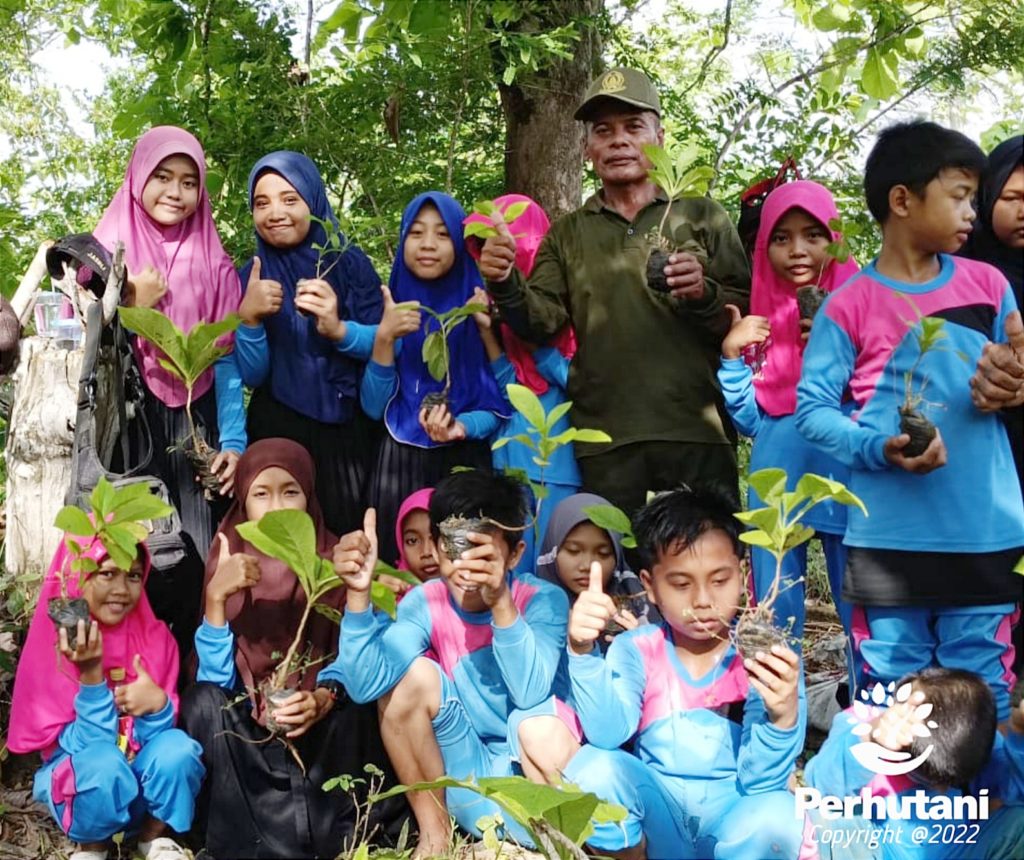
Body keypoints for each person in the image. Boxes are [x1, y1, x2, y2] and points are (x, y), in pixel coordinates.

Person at [795, 121, 1024, 723]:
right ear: (903, 200)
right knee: (894, 691)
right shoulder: (850, 304)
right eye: (958, 195)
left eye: (975, 198)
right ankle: (900, 807)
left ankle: (992, 812)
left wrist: (1013, 385)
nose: (971, 211)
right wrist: (878, 447)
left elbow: (1015, 372)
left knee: (984, 684)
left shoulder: (990, 288)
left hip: (984, 530)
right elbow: (812, 411)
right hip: (888, 540)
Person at [478, 68, 751, 517]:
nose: (619, 141)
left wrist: (702, 292)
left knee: (707, 572)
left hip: (697, 429)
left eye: (633, 127)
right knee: (618, 577)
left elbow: (743, 314)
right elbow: (541, 321)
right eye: (603, 131)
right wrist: (506, 280)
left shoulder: (702, 215)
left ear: (659, 136)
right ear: (587, 148)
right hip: (606, 440)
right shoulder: (567, 234)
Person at [325, 470, 581, 857]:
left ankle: (560, 843)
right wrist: (358, 597)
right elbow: (366, 686)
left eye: (480, 551)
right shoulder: (426, 600)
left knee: (538, 727)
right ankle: (435, 837)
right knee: (411, 679)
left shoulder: (543, 600)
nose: (463, 566)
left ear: (514, 554)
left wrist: (500, 603)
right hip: (470, 780)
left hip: (539, 779)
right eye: (451, 547)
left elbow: (530, 693)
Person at [180, 438, 402, 859]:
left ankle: (340, 831)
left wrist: (321, 698)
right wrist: (216, 600)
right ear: (244, 499)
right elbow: (215, 686)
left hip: (318, 744)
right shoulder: (227, 557)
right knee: (201, 703)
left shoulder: (334, 561)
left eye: (291, 492)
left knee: (366, 700)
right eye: (262, 494)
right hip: (246, 748)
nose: (278, 507)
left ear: (309, 497)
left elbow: (355, 665)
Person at [561, 486, 805, 860]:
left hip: (732, 824)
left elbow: (761, 785)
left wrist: (783, 714)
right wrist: (582, 653)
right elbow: (608, 734)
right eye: (681, 584)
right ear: (650, 586)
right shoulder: (638, 649)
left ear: (742, 574)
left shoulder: (768, 659)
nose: (703, 600)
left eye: (720, 580)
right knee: (594, 768)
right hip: (659, 825)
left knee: (781, 816)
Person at [92, 126, 247, 644]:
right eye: (163, 177)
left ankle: (194, 676)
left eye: (188, 182)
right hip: (127, 424)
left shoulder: (216, 261)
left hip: (193, 420)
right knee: (134, 547)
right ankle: (129, 670)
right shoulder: (105, 249)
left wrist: (233, 443)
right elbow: (79, 329)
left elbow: (225, 361)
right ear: (139, 176)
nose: (175, 194)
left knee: (196, 554)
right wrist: (128, 297)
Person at [718, 180, 859, 657]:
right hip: (776, 484)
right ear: (763, 247)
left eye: (813, 235)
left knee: (857, 606)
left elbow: (878, 399)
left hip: (846, 478)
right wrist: (732, 356)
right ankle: (776, 722)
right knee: (775, 609)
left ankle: (870, 720)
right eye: (781, 238)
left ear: (834, 243)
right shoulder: (757, 321)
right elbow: (751, 422)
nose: (797, 250)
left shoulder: (864, 313)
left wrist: (837, 340)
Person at [8, 537, 204, 860]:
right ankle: (93, 846)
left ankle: (152, 838)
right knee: (103, 765)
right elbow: (86, 748)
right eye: (106, 573)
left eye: (133, 575)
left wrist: (157, 707)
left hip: (136, 778)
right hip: (83, 784)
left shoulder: (156, 640)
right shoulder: (56, 648)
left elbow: (160, 740)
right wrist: (91, 677)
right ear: (75, 576)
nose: (121, 589)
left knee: (179, 751)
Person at [234, 151, 383, 535]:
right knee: (277, 546)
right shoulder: (250, 274)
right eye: (261, 203)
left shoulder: (349, 265)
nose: (275, 213)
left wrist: (337, 328)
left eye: (290, 199)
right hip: (276, 427)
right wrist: (248, 319)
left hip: (346, 431)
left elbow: (383, 346)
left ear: (314, 202)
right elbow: (252, 376)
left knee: (344, 539)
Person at [362, 192, 509, 564]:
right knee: (401, 571)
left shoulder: (477, 307)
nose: (428, 245)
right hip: (398, 460)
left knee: (467, 570)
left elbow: (499, 402)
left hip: (464, 461)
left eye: (443, 234)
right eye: (416, 233)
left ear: (460, 244)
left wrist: (462, 427)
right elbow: (373, 406)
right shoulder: (391, 306)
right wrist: (384, 337)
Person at [464, 194, 580, 571]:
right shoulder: (499, 310)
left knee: (552, 567)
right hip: (507, 464)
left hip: (558, 467)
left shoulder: (567, 307)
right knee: (508, 568)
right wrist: (489, 332)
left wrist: (539, 346)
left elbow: (580, 384)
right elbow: (509, 387)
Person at [801, 668, 1024, 860]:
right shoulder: (861, 724)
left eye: (945, 782)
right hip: (880, 847)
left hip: (955, 846)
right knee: (829, 817)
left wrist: (1018, 735)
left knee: (1018, 820)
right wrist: (868, 740)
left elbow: (1013, 788)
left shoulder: (974, 736)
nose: (939, 788)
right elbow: (819, 785)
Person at [535, 491, 655, 652]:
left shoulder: (636, 611)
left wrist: (642, 654)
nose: (587, 565)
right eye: (573, 550)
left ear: (617, 559)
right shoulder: (528, 606)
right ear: (553, 550)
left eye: (603, 553)